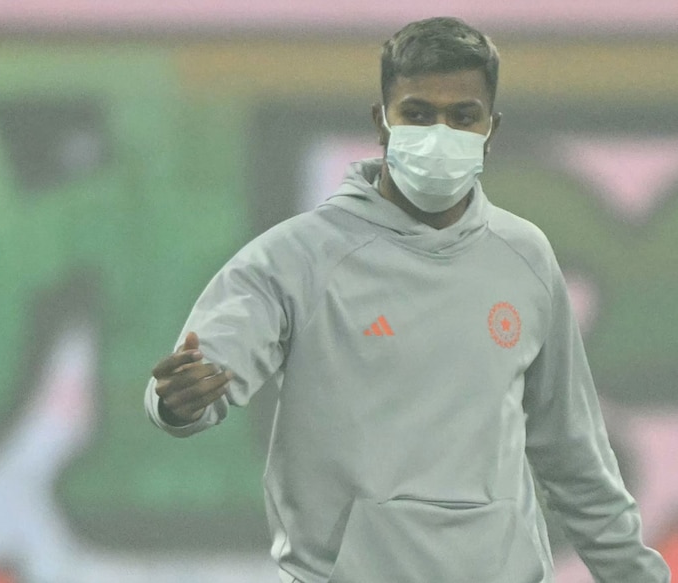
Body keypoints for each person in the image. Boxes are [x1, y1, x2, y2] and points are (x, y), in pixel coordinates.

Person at [145, 17, 670, 583]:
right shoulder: (298, 256)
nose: (439, 134)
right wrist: (178, 400)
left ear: (491, 128)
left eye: (462, 116)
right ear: (382, 121)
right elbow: (213, 362)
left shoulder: (526, 257)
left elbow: (573, 452)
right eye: (418, 113)